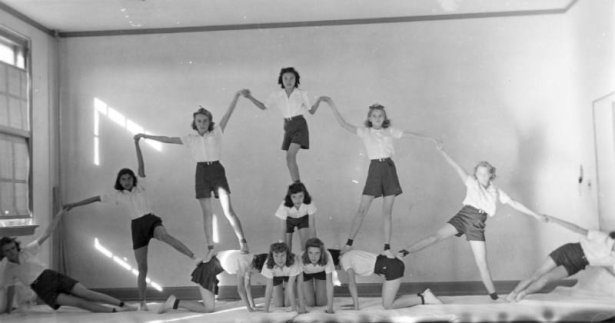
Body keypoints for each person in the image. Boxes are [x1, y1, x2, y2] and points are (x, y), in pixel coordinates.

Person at [64, 136, 203, 311]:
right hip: (136, 227)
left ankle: (194, 258)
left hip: (150, 220)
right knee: (142, 266)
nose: (127, 181)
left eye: (129, 178)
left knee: (165, 236)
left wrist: (137, 144)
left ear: (133, 179)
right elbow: (96, 198)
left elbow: (141, 165)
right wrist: (74, 205)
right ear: (119, 182)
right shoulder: (117, 196)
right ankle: (142, 302)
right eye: (123, 179)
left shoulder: (141, 187)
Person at [398, 142, 548, 301]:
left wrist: (536, 215)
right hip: (464, 216)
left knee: (482, 262)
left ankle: (494, 296)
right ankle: (404, 251)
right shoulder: (472, 182)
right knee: (436, 237)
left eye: (486, 174)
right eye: (479, 173)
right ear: (476, 174)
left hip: (477, 224)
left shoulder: (496, 191)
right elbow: (457, 167)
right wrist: (443, 151)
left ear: (491, 175)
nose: (482, 176)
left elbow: (514, 203)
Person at [135, 90, 250, 261]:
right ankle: (210, 248)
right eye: (199, 121)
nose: (202, 123)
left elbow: (228, 113)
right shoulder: (190, 138)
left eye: (205, 121)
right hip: (201, 173)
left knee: (228, 211)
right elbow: (167, 139)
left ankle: (243, 242)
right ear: (195, 123)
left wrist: (236, 96)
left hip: (217, 171)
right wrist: (145, 136)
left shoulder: (217, 131)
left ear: (209, 122)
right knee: (207, 214)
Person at [322, 96, 439, 258]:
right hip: (375, 170)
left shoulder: (389, 131)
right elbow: (343, 124)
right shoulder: (365, 132)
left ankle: (386, 248)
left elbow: (409, 135)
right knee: (362, 209)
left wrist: (431, 139)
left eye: (380, 115)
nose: (377, 118)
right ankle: (348, 244)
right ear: (369, 118)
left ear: (384, 118)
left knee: (387, 211)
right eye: (374, 115)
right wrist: (330, 103)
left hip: (389, 170)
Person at [0, 209, 136, 314]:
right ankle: (115, 311)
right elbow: (10, 289)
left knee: (88, 294)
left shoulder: (27, 251)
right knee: (79, 303)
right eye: (7, 250)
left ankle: (123, 305)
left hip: (51, 276)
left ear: (16, 246)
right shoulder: (9, 269)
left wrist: (59, 215)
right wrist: (8, 310)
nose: (12, 252)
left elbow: (46, 234)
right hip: (43, 289)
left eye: (13, 248)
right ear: (3, 253)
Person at [241, 67, 325, 183]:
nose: (289, 81)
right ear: (281, 80)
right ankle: (296, 185)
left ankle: (297, 184)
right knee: (288, 158)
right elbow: (263, 106)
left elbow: (311, 111)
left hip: (299, 125)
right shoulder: (277, 95)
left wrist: (319, 100)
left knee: (290, 156)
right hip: (287, 126)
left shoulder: (301, 93)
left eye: (291, 78)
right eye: (285, 78)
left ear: (296, 80)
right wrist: (249, 97)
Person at [507, 215, 615, 302]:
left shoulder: (612, 259)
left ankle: (523, 294)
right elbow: (576, 229)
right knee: (536, 275)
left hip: (577, 264)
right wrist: (554, 219)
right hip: (568, 251)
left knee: (545, 279)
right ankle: (512, 294)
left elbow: (610, 269)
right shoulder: (603, 237)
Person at [157, 251, 269, 313]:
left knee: (208, 306)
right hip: (206, 271)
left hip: (210, 270)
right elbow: (240, 289)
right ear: (257, 267)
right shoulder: (244, 263)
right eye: (257, 272)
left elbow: (247, 286)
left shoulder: (251, 259)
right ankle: (173, 303)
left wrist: (253, 305)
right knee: (208, 308)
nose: (254, 274)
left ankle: (174, 302)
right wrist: (249, 309)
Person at [337, 249, 442, 310]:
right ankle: (423, 295)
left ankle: (425, 299)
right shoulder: (348, 253)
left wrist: (356, 306)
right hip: (391, 265)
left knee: (388, 305)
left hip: (391, 268)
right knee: (389, 299)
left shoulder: (344, 261)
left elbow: (352, 284)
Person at [261, 242, 302, 313]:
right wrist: (266, 310)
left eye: (282, 255)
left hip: (289, 276)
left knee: (287, 304)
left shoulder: (293, 262)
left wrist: (294, 309)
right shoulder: (268, 264)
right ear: (272, 256)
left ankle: (284, 291)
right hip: (276, 277)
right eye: (276, 256)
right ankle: (280, 290)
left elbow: (290, 287)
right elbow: (269, 288)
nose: (280, 259)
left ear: (287, 255)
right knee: (278, 304)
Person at [275, 182, 317, 252]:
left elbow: (312, 226)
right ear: (290, 197)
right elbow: (283, 229)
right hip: (288, 220)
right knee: (286, 247)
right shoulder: (284, 205)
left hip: (303, 219)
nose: (297, 200)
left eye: (300, 196)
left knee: (306, 245)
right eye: (294, 197)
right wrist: (282, 249)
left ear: (305, 195)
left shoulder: (309, 202)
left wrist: (315, 246)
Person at [297, 238, 335, 314]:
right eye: (310, 253)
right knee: (310, 304)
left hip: (321, 272)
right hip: (306, 273)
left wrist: (330, 307)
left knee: (321, 303)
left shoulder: (327, 257)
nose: (313, 257)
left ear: (321, 253)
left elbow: (329, 284)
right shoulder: (300, 257)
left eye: (317, 253)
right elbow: (300, 284)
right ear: (306, 252)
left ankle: (319, 294)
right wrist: (301, 307)